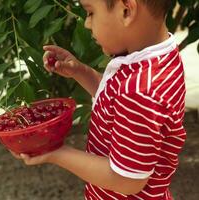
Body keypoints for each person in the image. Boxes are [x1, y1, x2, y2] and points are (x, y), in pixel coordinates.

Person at [11, 0, 186, 199]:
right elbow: (115, 101)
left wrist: (56, 152)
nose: (86, 23)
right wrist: (80, 71)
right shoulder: (159, 59)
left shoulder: (140, 91)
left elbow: (126, 180)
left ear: (126, 10)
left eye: (90, 13)